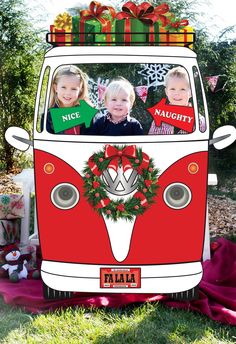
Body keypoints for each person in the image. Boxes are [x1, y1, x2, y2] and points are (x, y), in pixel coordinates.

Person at [148, 66, 205, 135]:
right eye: (172, 89)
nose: (177, 93)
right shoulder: (159, 119)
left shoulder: (198, 121)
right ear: (166, 92)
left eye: (182, 89)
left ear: (191, 93)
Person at [44, 65, 92, 134]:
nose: (68, 93)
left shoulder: (86, 113)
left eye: (74, 89)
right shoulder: (48, 117)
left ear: (80, 90)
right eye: (63, 87)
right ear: (56, 88)